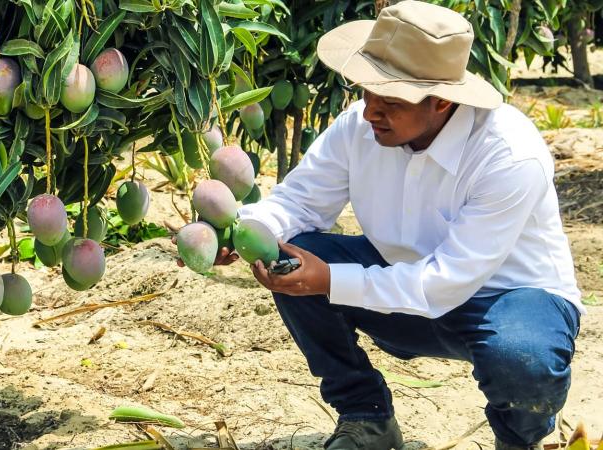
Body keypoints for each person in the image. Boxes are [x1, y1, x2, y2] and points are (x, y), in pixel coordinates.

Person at [176, 1, 584, 449]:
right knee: (290, 257)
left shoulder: (507, 155)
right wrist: (242, 229)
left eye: (389, 101)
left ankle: (522, 440)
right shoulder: (360, 127)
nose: (370, 111)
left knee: (521, 359)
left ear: (443, 99)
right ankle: (366, 417)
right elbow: (299, 203)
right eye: (367, 93)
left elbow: (446, 282)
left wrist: (331, 279)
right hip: (400, 287)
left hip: (507, 303)